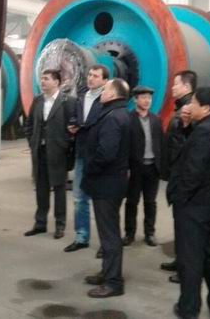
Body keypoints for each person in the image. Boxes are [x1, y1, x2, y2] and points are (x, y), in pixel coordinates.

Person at [168, 87, 210, 319]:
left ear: (205, 108)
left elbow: (192, 171)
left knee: (190, 259)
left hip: (195, 207)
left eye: (193, 102)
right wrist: (187, 127)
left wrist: (180, 199)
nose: (188, 106)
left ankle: (188, 308)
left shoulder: (204, 132)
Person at [81, 78, 131, 298]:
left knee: (109, 234)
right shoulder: (120, 114)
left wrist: (90, 169)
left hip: (106, 183)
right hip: (112, 182)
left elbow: (106, 153)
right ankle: (107, 272)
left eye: (105, 89)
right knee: (108, 231)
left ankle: (113, 282)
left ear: (112, 94)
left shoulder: (113, 117)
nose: (101, 92)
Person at [24, 69, 76, 240]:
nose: (42, 82)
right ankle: (40, 224)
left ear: (57, 82)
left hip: (58, 153)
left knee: (59, 189)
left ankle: (60, 224)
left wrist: (65, 147)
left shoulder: (68, 102)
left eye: (46, 79)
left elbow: (73, 128)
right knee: (41, 189)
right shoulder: (38, 100)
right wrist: (33, 143)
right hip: (39, 152)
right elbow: (29, 124)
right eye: (42, 79)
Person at [64, 65, 109, 253]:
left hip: (99, 157)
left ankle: (106, 242)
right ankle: (82, 237)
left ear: (105, 81)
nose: (91, 78)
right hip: (82, 154)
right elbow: (76, 118)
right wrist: (73, 125)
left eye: (96, 76)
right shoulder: (81, 97)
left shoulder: (107, 100)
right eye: (90, 74)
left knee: (101, 202)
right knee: (79, 198)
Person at [161, 70, 198, 281]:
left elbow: (189, 145)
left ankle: (186, 269)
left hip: (183, 175)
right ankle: (180, 259)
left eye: (176, 84)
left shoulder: (189, 111)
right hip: (176, 173)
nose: (173, 87)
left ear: (186, 87)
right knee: (179, 221)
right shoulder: (181, 108)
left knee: (186, 224)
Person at [123, 85, 163, 247]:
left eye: (149, 98)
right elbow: (125, 146)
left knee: (150, 202)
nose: (147, 101)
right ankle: (129, 233)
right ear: (135, 99)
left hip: (152, 168)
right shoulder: (128, 119)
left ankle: (150, 233)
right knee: (132, 202)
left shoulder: (156, 119)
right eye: (144, 97)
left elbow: (161, 143)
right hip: (135, 168)